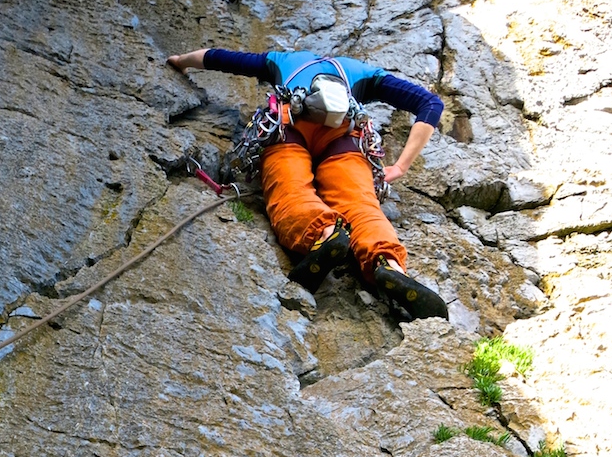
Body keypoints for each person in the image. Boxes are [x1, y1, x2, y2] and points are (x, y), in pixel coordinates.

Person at [167, 47, 447, 319]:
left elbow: (219, 58)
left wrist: (181, 60)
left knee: (291, 192)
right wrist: (400, 166)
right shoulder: (363, 72)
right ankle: (389, 264)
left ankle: (325, 234)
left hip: (288, 127)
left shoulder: (283, 60)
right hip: (346, 137)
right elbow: (430, 104)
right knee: (362, 207)